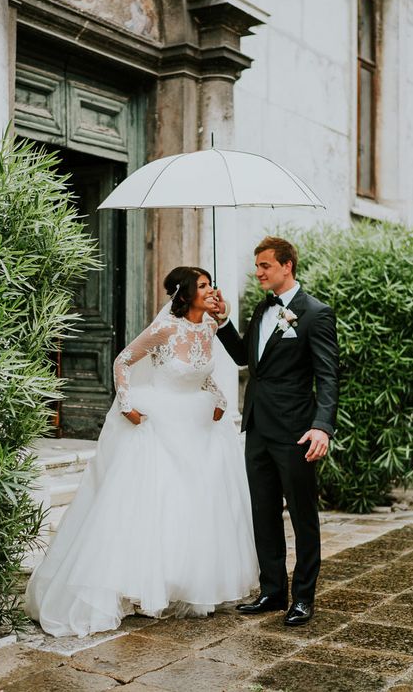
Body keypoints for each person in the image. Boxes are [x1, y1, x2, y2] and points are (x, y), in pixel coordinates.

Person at [25, 267, 258, 637]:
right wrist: (127, 405)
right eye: (202, 285)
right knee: (156, 505)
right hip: (160, 424)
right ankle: (138, 589)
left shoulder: (209, 328)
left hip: (198, 426)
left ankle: (177, 583)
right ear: (184, 293)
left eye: (210, 283)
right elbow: (122, 361)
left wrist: (219, 396)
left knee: (192, 507)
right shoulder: (165, 329)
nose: (210, 289)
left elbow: (202, 371)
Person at [213, 236, 338, 626]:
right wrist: (223, 321)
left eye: (265, 265)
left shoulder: (316, 313)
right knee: (263, 512)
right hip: (258, 428)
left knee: (302, 515)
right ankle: (271, 591)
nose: (258, 272)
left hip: (296, 432)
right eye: (257, 266)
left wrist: (322, 426)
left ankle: (303, 597)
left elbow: (328, 376)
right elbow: (243, 358)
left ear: (287, 266)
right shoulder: (261, 310)